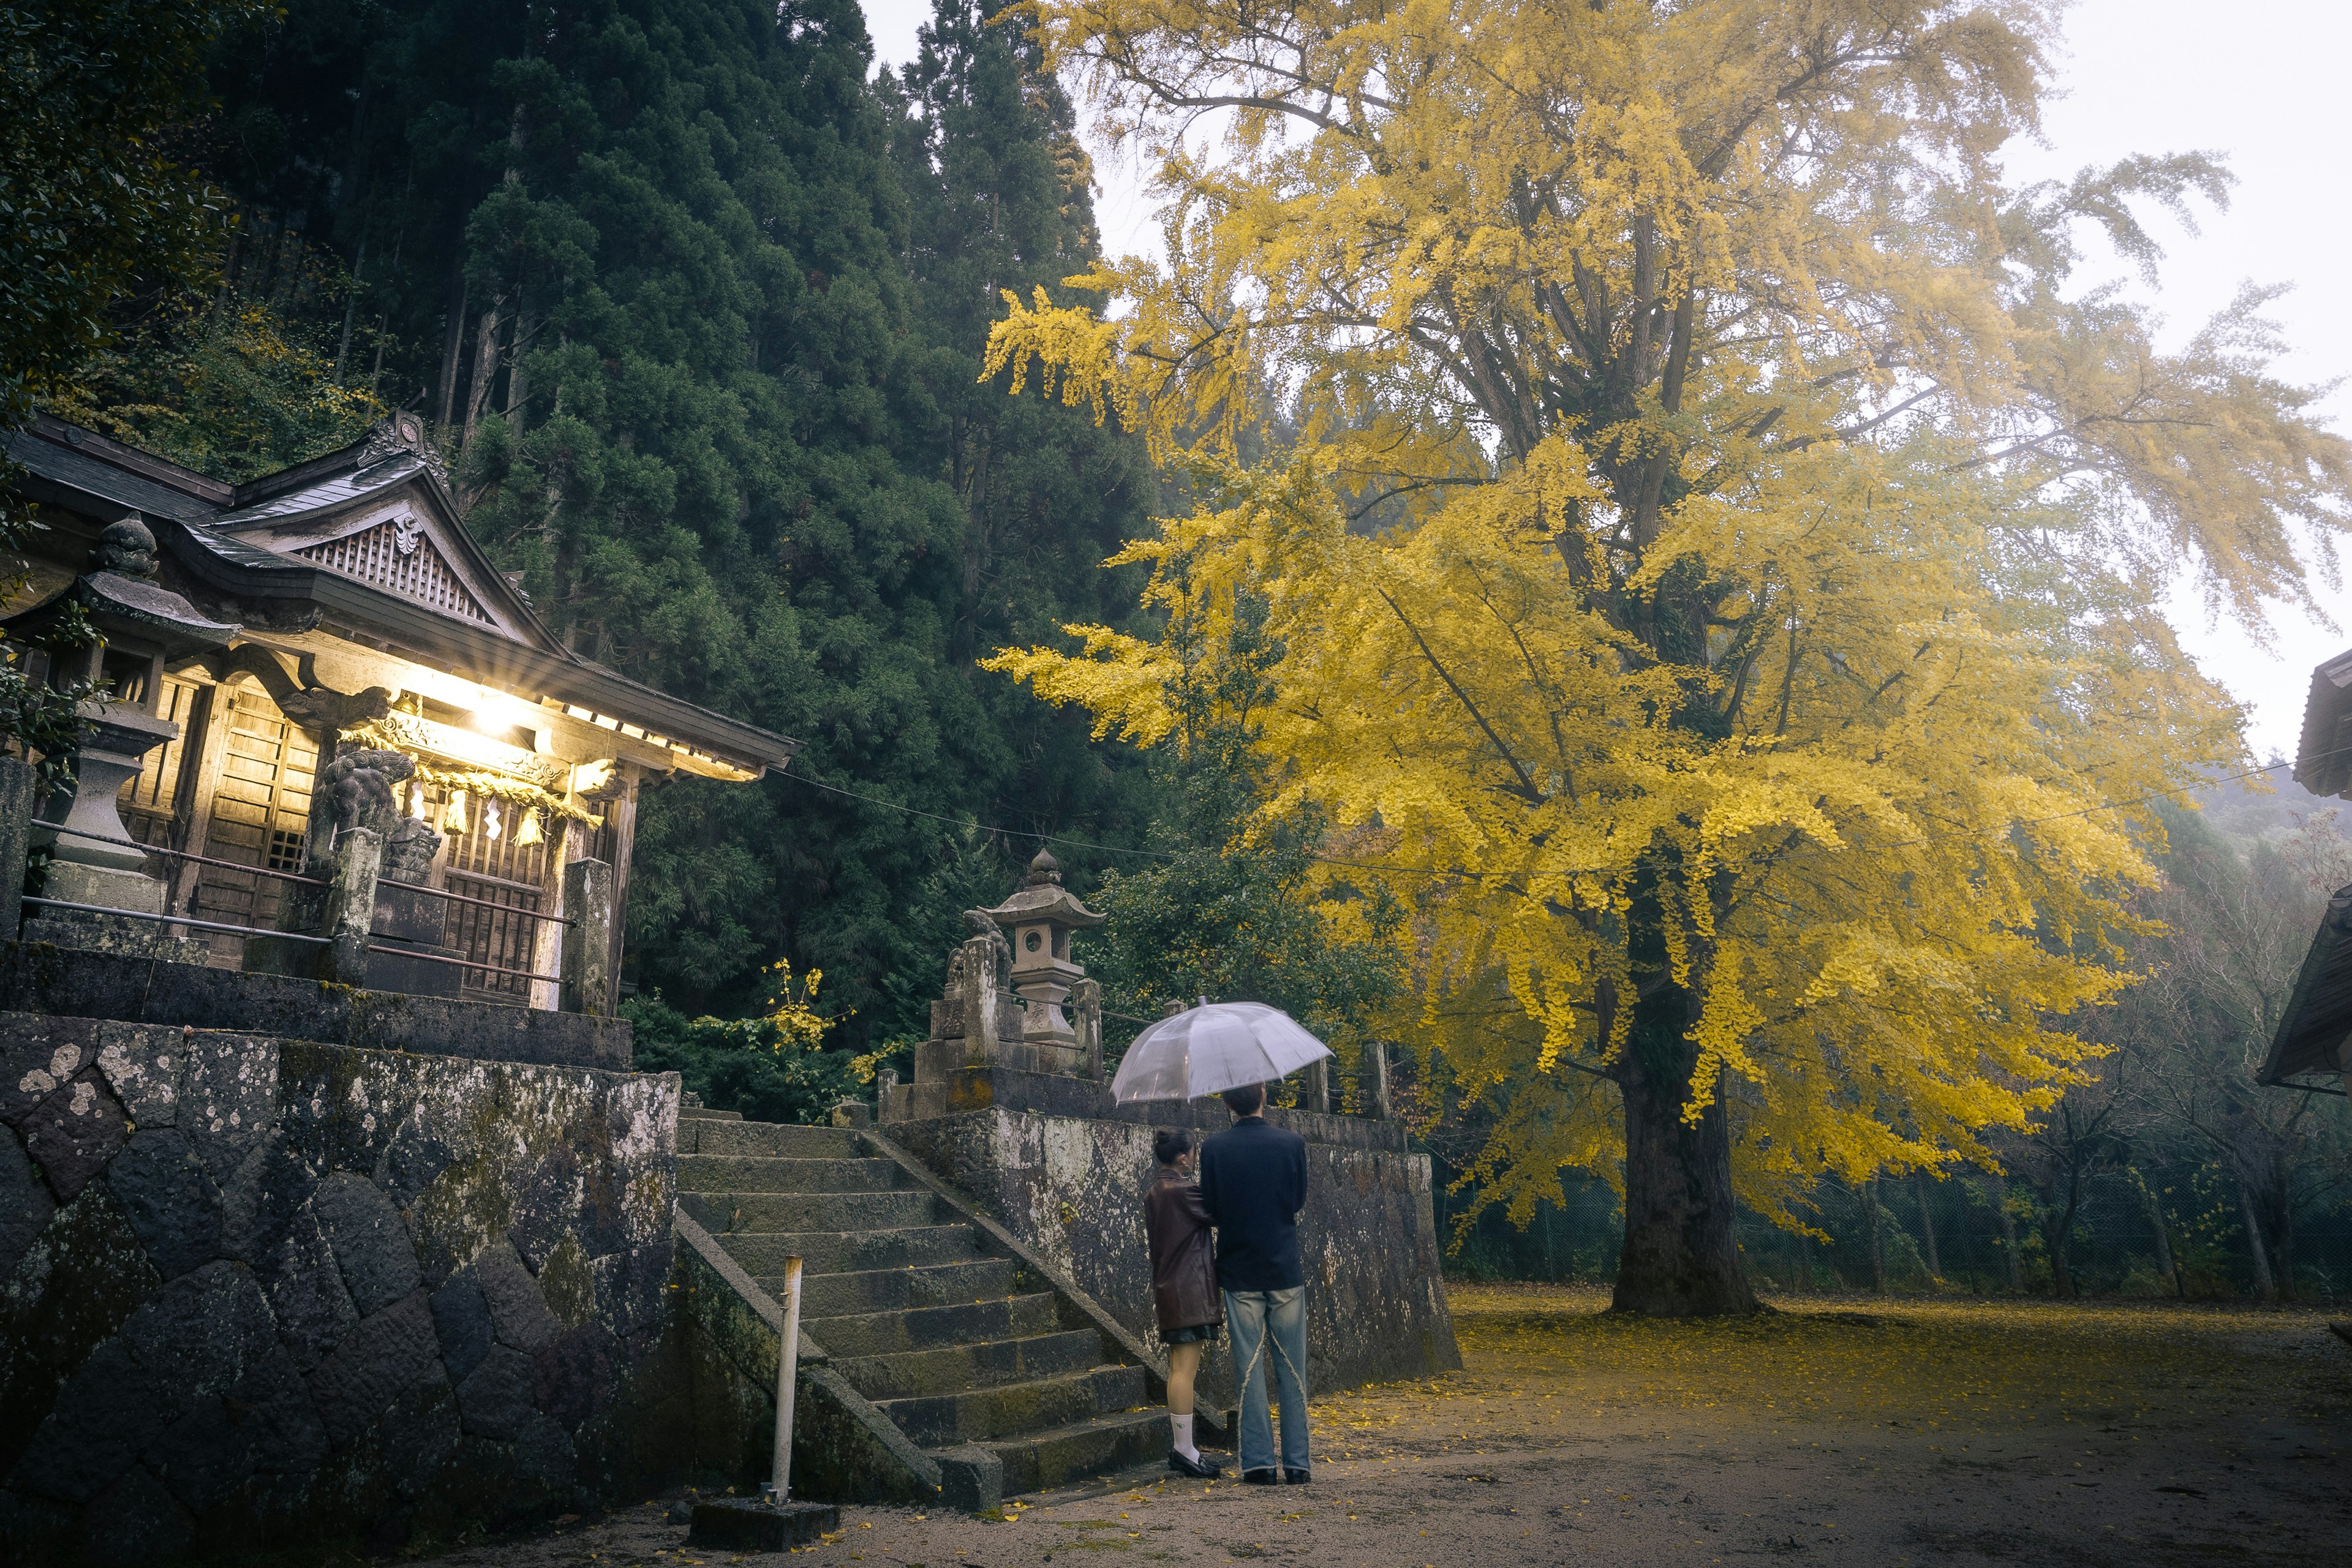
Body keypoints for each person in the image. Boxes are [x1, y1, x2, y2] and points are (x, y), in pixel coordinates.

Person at [1196, 1080, 1311, 1485]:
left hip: (1239, 1268)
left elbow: (1210, 1206)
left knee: (1249, 1368)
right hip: (1283, 1267)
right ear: (1264, 1095)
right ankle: (1298, 1464)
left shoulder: (1214, 1149)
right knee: (1292, 1368)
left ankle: (1259, 1464)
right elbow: (1296, 1200)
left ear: (1227, 1103)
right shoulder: (1292, 1144)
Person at [1144, 1128, 1224, 1477]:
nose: (1195, 1158)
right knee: (1184, 1373)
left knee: (1179, 1370)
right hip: (1187, 1289)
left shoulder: (1156, 1191)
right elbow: (1217, 1212)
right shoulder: (1183, 1191)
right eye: (1193, 1153)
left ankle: (1185, 1448)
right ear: (1182, 1158)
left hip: (1170, 1287)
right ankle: (1184, 1449)